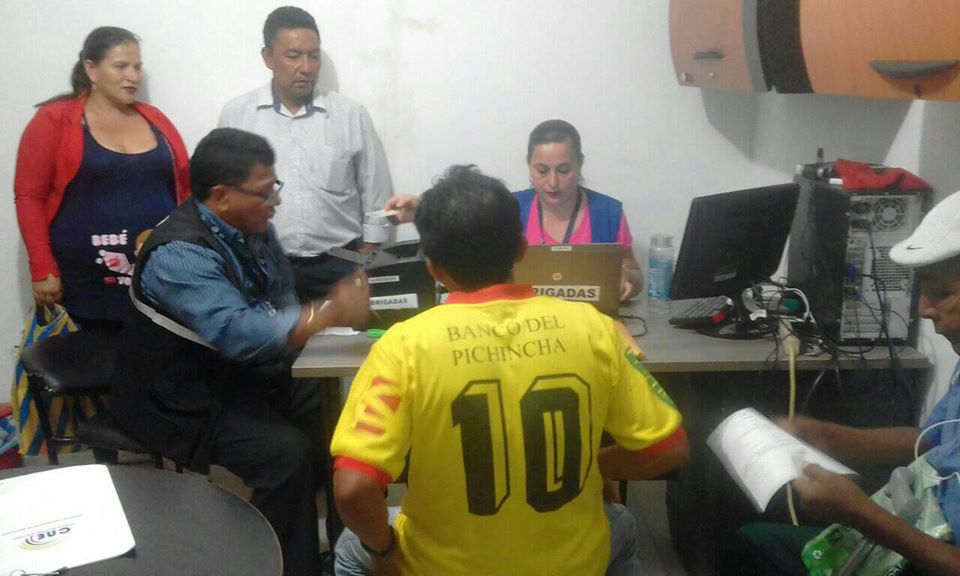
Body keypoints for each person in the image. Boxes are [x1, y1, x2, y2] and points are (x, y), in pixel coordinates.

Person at [330, 165, 689, 575]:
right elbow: (668, 449)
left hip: (442, 568)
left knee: (350, 548)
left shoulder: (403, 346)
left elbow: (353, 489)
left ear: (432, 267)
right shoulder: (595, 328)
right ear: (521, 248)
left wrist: (383, 550)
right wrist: (593, 465)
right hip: (571, 566)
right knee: (622, 524)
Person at [111, 128, 371, 576]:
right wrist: (327, 313)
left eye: (275, 188)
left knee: (335, 420)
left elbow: (280, 299)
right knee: (286, 455)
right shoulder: (179, 254)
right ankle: (283, 565)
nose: (276, 202)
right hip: (177, 397)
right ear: (221, 196)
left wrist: (305, 324)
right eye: (265, 193)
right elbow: (238, 332)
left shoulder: (253, 227)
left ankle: (339, 549)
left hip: (234, 375)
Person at [727, 188, 960, 576]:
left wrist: (860, 514)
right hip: (920, 533)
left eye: (941, 293)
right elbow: (933, 440)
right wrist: (826, 436)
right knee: (753, 541)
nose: (923, 309)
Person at [14, 26, 190, 332]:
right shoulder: (55, 120)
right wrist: (41, 268)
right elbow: (30, 197)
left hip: (158, 277)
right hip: (83, 284)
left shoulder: (156, 120)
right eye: (121, 66)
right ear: (91, 70)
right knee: (89, 358)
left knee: (155, 356)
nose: (133, 76)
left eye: (137, 67)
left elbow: (185, 190)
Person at [219, 6, 394, 302]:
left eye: (314, 56)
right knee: (270, 333)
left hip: (340, 267)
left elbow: (376, 196)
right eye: (293, 56)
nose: (307, 67)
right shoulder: (238, 117)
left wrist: (366, 256)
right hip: (264, 265)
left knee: (349, 334)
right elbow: (221, 197)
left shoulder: (350, 116)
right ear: (268, 57)